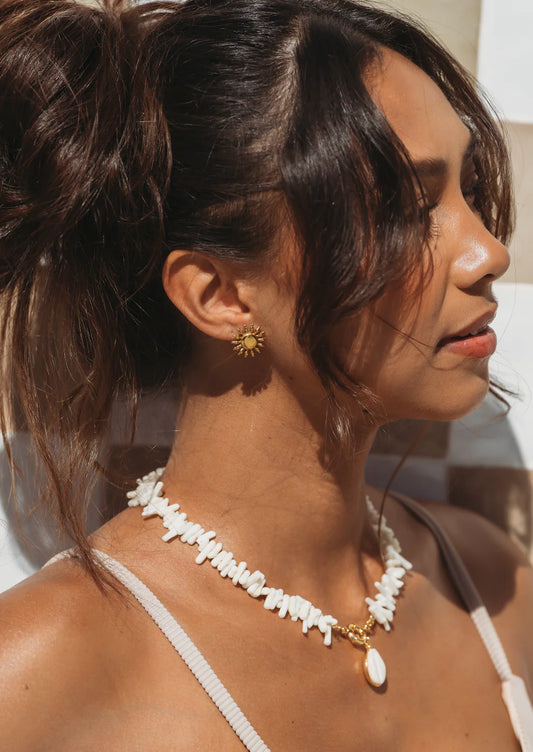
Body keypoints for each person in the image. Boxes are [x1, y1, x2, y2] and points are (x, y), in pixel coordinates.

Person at [0, 0, 532, 749]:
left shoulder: (492, 586)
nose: (488, 253)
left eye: (469, 190)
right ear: (220, 295)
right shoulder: (43, 673)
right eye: (406, 209)